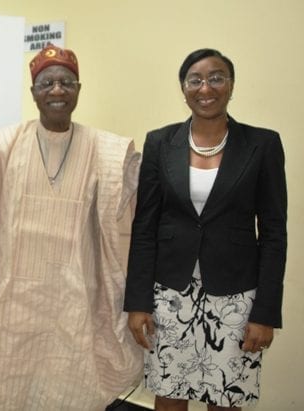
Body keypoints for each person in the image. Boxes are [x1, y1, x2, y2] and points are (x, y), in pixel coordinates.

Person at [0, 44, 142, 410]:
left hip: (75, 297)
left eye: (66, 82)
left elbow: (121, 222)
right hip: (13, 298)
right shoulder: (6, 143)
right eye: (47, 83)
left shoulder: (103, 149)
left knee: (69, 386)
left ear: (79, 89)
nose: (57, 91)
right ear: (33, 93)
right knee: (5, 388)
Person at [124, 48, 287, 411]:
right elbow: (145, 225)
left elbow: (275, 233)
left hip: (236, 297)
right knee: (168, 395)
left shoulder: (262, 145)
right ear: (183, 88)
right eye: (195, 79)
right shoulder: (160, 142)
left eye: (216, 77)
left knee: (227, 397)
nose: (205, 87)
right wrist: (137, 303)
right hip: (169, 293)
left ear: (231, 86)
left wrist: (265, 313)